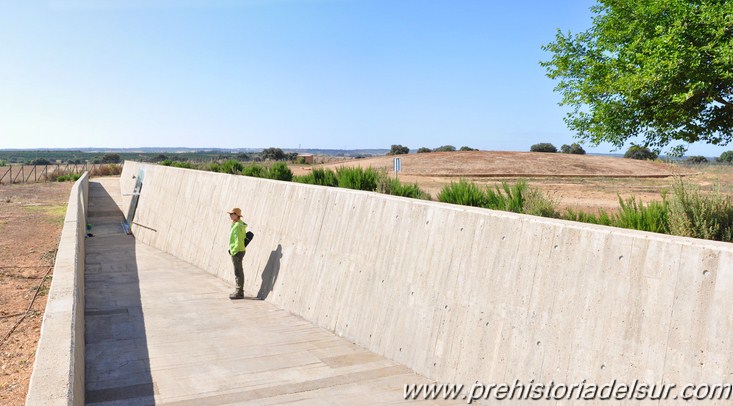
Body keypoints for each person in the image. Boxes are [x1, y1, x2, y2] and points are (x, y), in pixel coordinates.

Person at [227, 207, 247, 299]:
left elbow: (238, 240)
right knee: (238, 271)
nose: (230, 215)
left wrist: (233, 251)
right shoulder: (237, 224)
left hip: (237, 251)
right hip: (239, 250)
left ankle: (239, 292)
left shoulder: (238, 226)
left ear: (237, 215)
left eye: (232, 214)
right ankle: (239, 291)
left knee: (238, 272)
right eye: (230, 214)